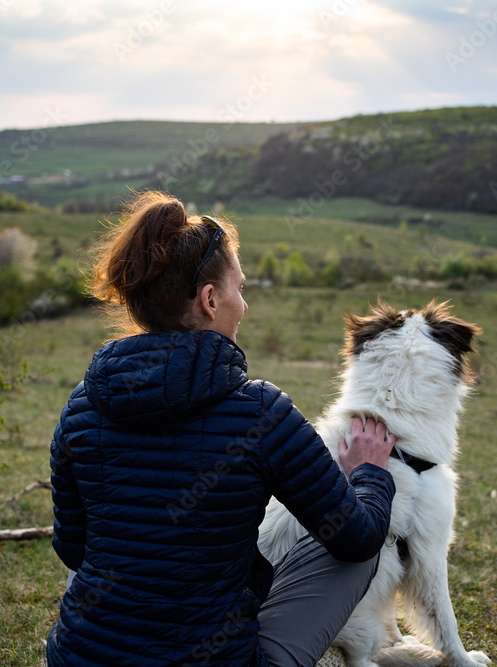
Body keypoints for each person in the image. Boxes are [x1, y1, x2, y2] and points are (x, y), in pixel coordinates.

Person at [45, 191, 396, 667]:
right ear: (210, 300)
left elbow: (72, 548)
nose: (244, 305)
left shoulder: (83, 406)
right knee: (356, 543)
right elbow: (357, 538)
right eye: (240, 289)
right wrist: (367, 475)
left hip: (78, 658)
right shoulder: (261, 412)